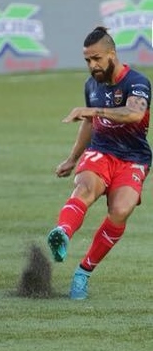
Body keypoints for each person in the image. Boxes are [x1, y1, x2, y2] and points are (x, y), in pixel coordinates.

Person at [47, 26, 151, 300]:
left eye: (97, 59)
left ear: (112, 55)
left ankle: (83, 272)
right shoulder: (91, 85)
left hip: (133, 157)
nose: (92, 66)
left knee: (121, 209)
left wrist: (91, 110)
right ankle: (62, 233)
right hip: (101, 151)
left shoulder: (137, 82)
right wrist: (72, 158)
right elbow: (90, 125)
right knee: (85, 187)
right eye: (87, 60)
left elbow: (133, 114)